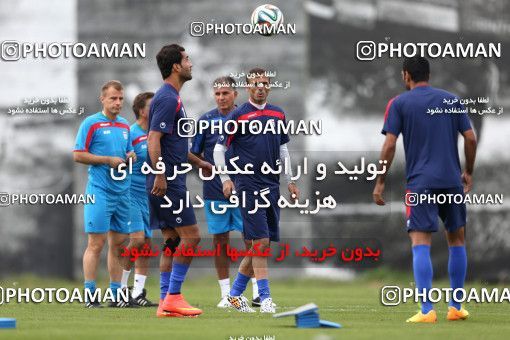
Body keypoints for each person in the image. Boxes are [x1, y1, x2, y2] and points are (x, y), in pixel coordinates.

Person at [372, 56, 477, 323]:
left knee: (420, 243)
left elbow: (389, 145)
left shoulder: (399, 104)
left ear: (406, 75)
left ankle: (428, 310)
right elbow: (470, 138)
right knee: (457, 240)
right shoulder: (452, 100)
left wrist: (380, 180)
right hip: (452, 182)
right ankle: (456, 307)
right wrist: (468, 171)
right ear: (428, 75)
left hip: (421, 183)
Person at [214, 68, 299, 313]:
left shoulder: (277, 114)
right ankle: (265, 298)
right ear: (248, 87)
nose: (260, 87)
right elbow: (219, 150)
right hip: (248, 184)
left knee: (262, 245)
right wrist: (225, 179)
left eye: (264, 83)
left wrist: (290, 179)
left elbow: (283, 150)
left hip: (272, 185)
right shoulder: (238, 116)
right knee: (260, 242)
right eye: (255, 83)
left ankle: (233, 296)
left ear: (270, 86)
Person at [147, 44, 212, 317]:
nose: (190, 64)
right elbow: (154, 139)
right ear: (176, 66)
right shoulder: (167, 98)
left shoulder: (173, 98)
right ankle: (173, 296)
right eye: (187, 60)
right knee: (192, 237)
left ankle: (164, 303)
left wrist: (198, 162)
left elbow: (173, 144)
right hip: (169, 181)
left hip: (171, 178)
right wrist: (161, 173)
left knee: (173, 241)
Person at [191, 76, 260, 308]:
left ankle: (258, 291)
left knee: (251, 239)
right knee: (220, 241)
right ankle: (225, 293)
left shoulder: (248, 118)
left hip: (245, 188)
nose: (221, 98)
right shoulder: (205, 120)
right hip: (214, 191)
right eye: (218, 94)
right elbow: (194, 154)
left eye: (226, 93)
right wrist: (203, 168)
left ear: (235, 95)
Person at [73, 80, 138, 308]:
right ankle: (90, 295)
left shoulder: (124, 126)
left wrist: (131, 155)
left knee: (119, 246)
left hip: (122, 193)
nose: (118, 102)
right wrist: (106, 160)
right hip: (99, 191)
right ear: (103, 99)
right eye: (113, 98)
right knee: (96, 244)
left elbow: (127, 149)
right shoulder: (91, 123)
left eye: (120, 98)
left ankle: (115, 294)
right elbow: (78, 154)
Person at [119, 91, 158, 307]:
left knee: (147, 244)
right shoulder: (130, 133)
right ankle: (120, 289)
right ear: (141, 110)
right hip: (131, 194)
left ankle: (138, 293)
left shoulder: (156, 134)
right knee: (137, 241)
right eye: (153, 106)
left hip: (149, 196)